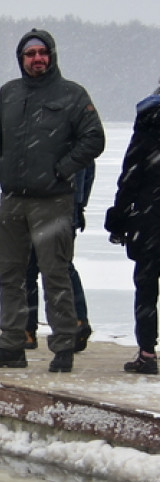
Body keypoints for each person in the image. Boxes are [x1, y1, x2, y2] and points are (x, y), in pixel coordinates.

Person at [0, 30, 104, 373]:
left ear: (52, 56)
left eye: (42, 53)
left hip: (52, 201)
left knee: (54, 274)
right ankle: (11, 345)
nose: (36, 59)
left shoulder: (72, 95)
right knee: (10, 274)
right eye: (29, 54)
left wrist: (62, 170)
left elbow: (94, 138)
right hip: (13, 200)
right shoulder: (9, 94)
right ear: (21, 59)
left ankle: (63, 348)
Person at [105, 79, 160, 374]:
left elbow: (132, 172)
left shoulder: (149, 117)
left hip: (149, 218)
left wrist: (119, 216)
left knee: (147, 286)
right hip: (150, 215)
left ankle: (147, 353)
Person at [23, 163, 95, 352]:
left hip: (42, 205)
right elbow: (87, 171)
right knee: (62, 266)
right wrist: (79, 205)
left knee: (29, 268)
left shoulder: (52, 139)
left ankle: (27, 330)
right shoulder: (80, 140)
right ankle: (78, 319)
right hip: (68, 208)